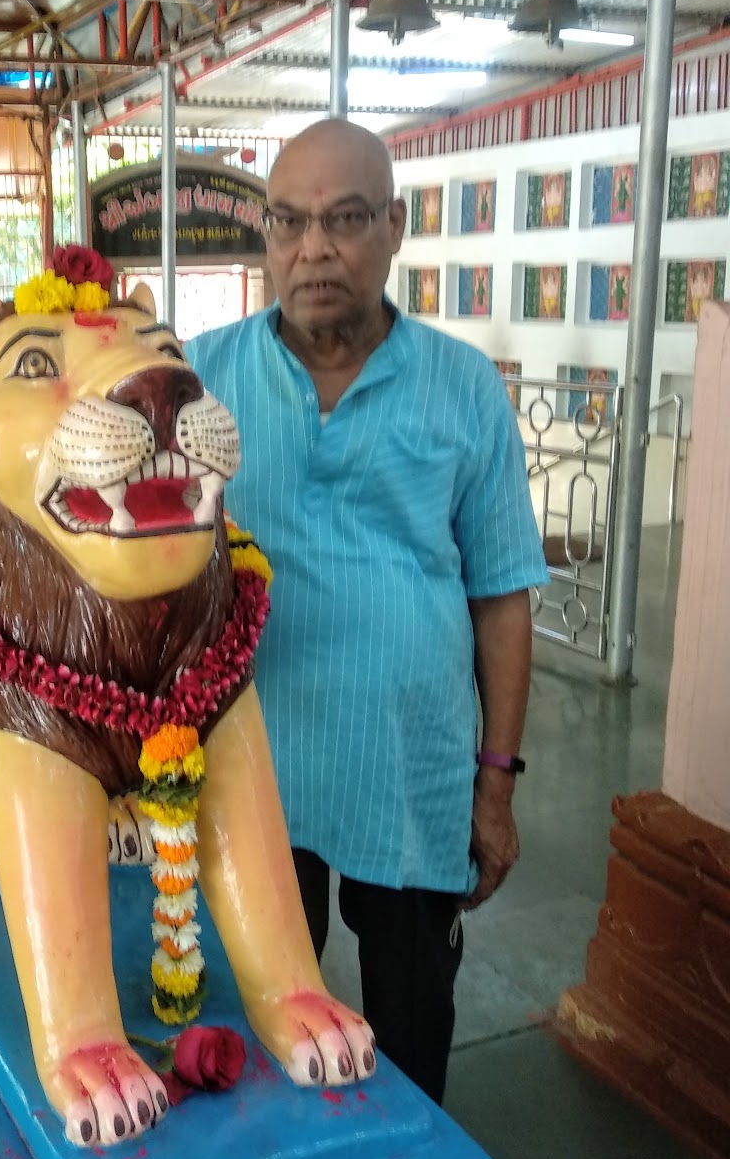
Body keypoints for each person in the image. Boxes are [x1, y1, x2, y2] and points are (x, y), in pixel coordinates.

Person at [185, 119, 548, 1103]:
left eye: (345, 219)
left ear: (394, 224)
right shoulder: (196, 377)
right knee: (251, 1010)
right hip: (247, 762)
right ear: (265, 234)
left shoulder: (462, 388)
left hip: (406, 765)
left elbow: (502, 598)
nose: (314, 249)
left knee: (412, 1020)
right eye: (289, 222)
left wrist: (497, 785)